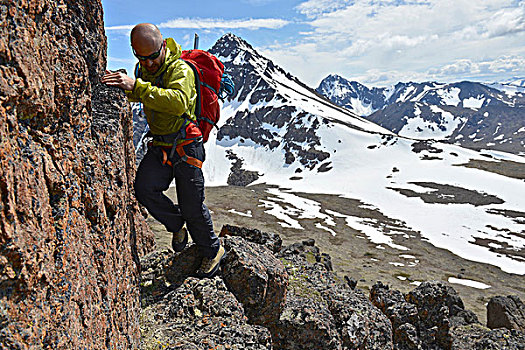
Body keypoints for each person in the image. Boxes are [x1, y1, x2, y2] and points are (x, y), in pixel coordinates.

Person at [101, 23, 225, 278]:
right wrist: (120, 83)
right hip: (161, 144)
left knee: (192, 205)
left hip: (186, 144)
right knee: (145, 189)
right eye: (141, 58)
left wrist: (136, 87)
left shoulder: (181, 70)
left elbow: (177, 102)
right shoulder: (144, 69)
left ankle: (213, 251)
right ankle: (175, 224)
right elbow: (142, 94)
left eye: (152, 57)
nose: (147, 64)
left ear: (163, 47)